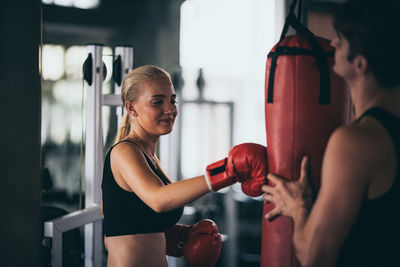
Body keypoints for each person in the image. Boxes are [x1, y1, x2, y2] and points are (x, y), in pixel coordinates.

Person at [261, 0, 400, 266]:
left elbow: (315, 258)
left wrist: (299, 210)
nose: (332, 44)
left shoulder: (355, 142)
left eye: (341, 39)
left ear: (361, 64)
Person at [101, 65, 267, 267]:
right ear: (131, 108)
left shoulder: (149, 159)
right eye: (157, 102)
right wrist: (228, 171)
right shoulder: (124, 151)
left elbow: (128, 229)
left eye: (172, 100)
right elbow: (159, 199)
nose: (170, 109)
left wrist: (181, 236)